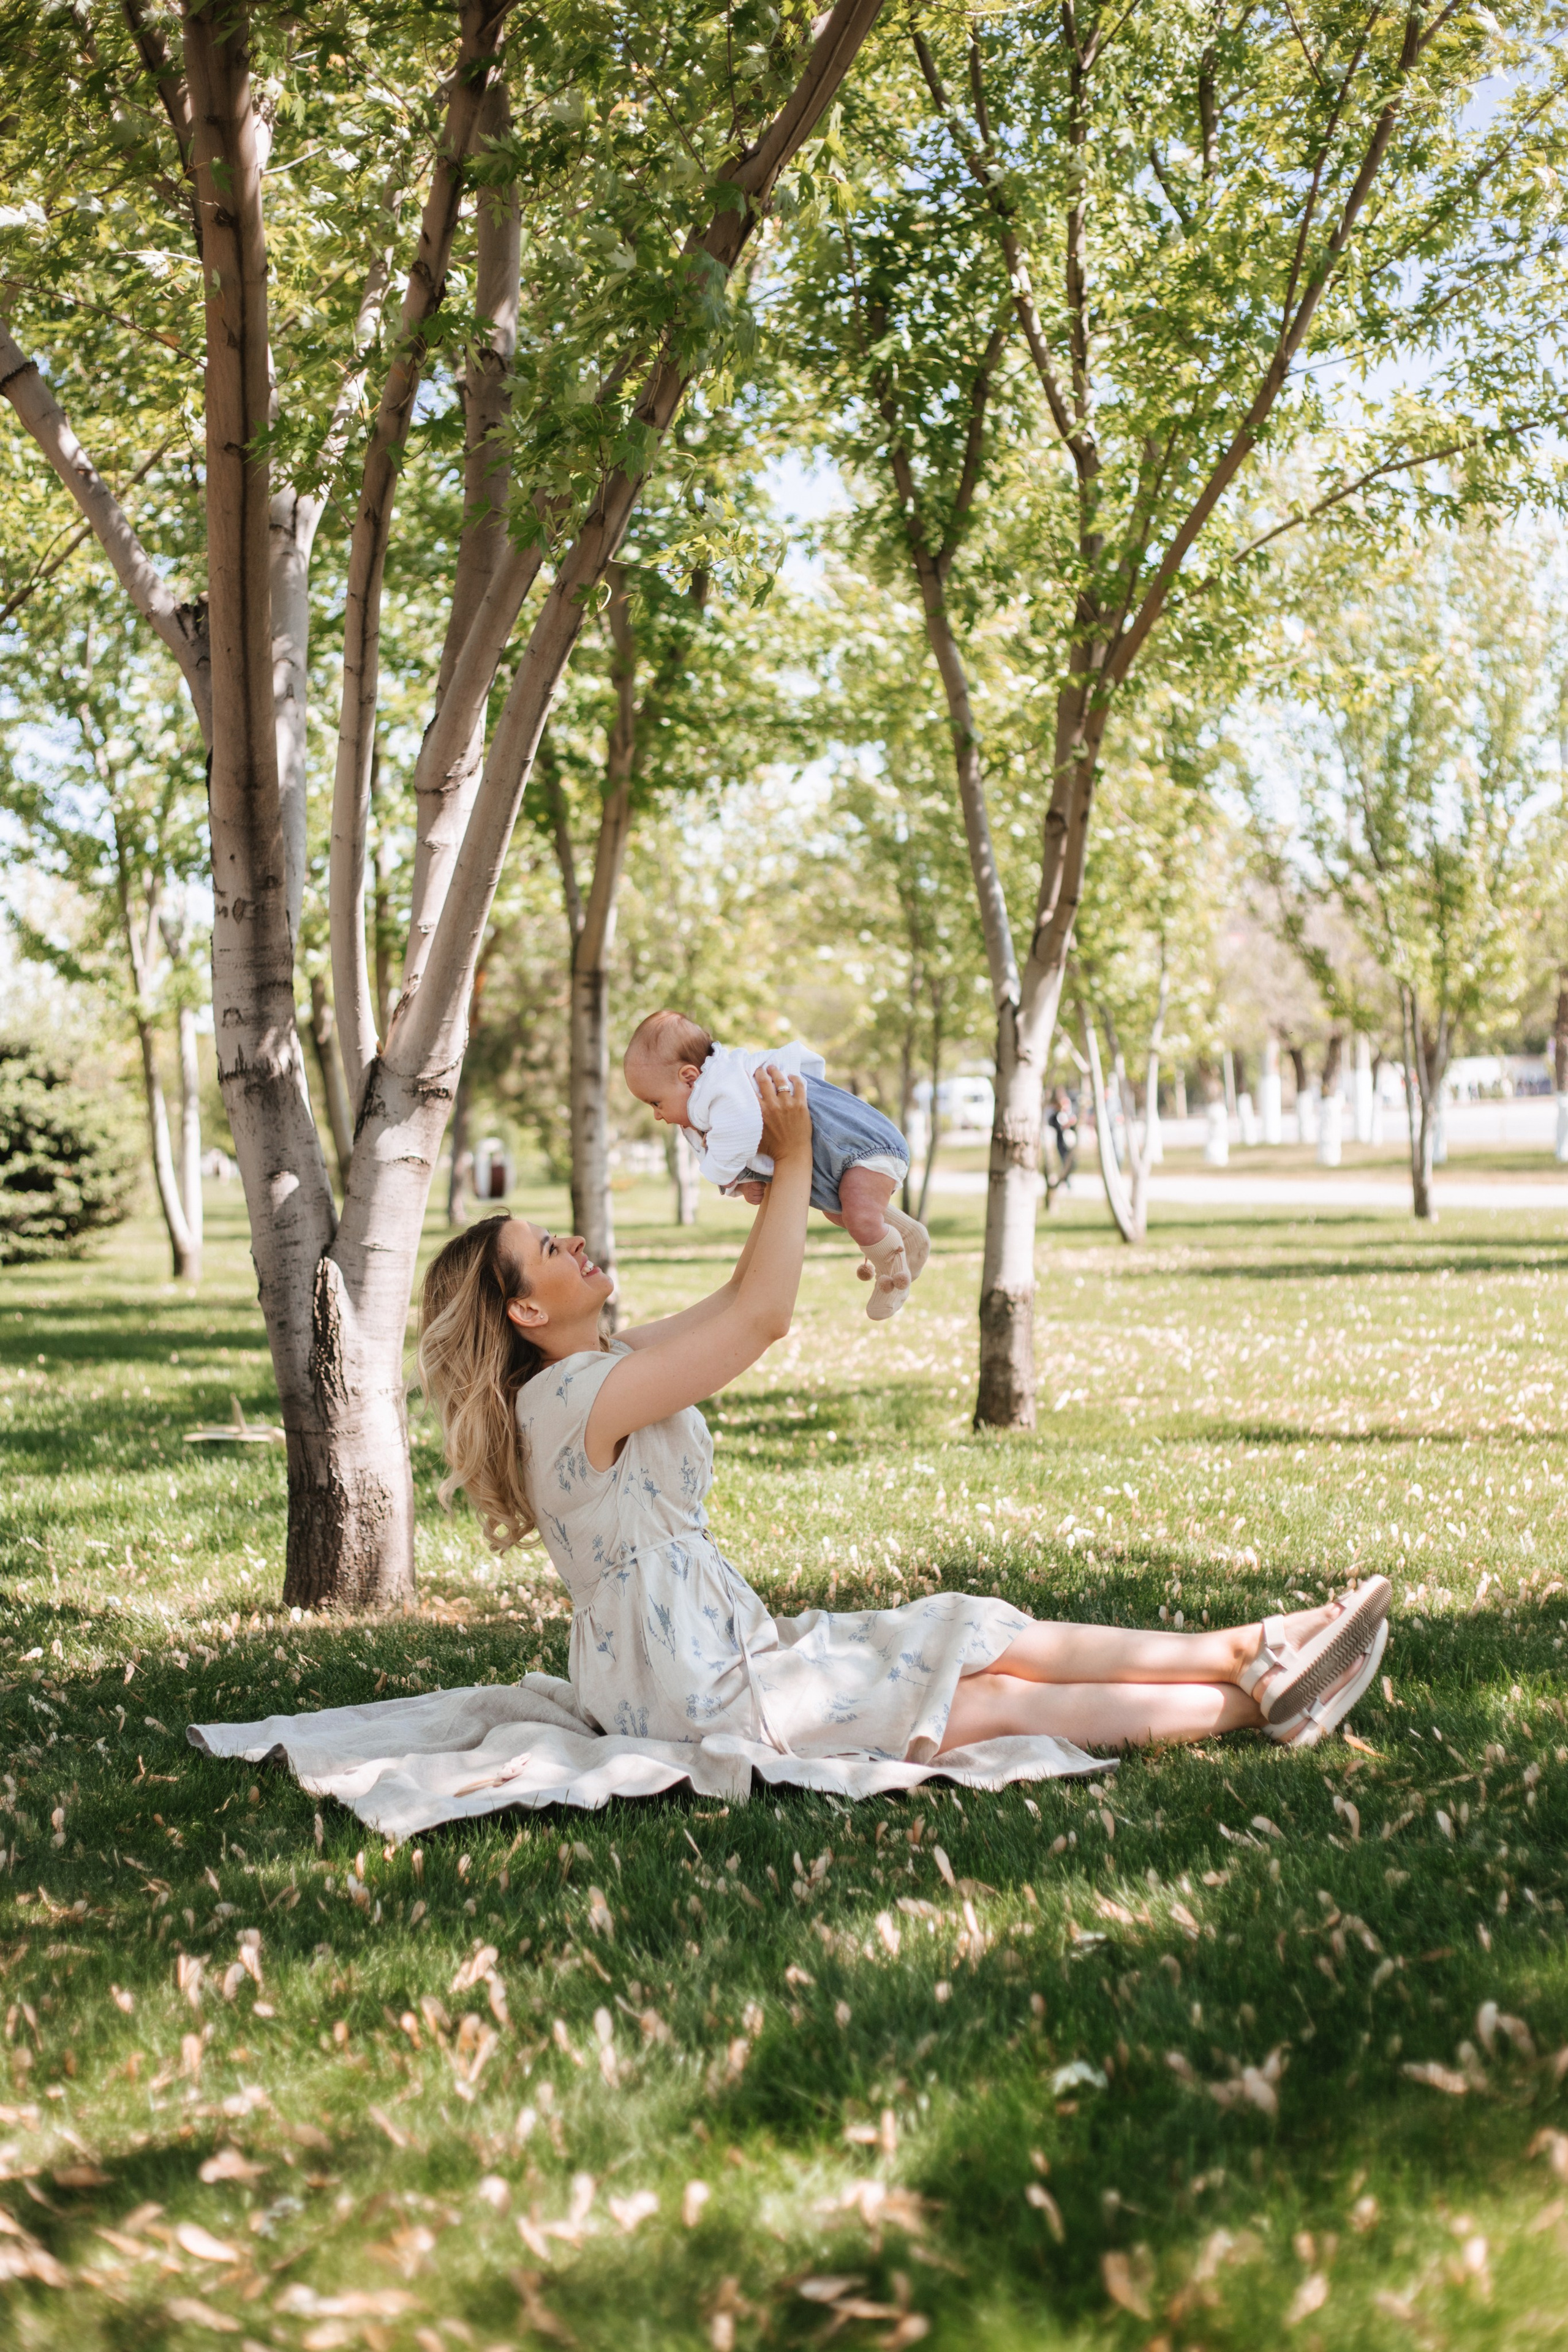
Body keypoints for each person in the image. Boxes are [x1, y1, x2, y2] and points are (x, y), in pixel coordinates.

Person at [417, 1065, 1392, 1771]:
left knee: (964, 1630)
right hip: (704, 1695)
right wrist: (798, 1153)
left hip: (724, 1656)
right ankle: (1259, 1691)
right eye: (549, 1247)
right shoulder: (573, 1402)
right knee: (987, 1699)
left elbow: (737, 1298)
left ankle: (1253, 1651)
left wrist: (786, 1182)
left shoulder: (599, 1369)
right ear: (525, 1310)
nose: (574, 1240)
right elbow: (762, 1321)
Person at [622, 1009, 927, 1321]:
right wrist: (742, 1183)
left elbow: (739, 1136)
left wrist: (723, 1177)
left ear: (689, 1078)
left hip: (859, 1146)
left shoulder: (722, 1086)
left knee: (860, 1217)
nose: (656, 1115)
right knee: (838, 1211)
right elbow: (745, 1149)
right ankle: (909, 1237)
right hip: (837, 1164)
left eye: (656, 1102)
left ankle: (894, 1275)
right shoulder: (711, 1101)